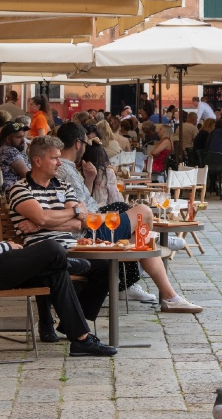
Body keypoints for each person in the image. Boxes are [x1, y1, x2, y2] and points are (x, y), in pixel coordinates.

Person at [0, 141, 116, 356]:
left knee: (57, 271)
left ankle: (81, 339)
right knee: (51, 248)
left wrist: (5, 249)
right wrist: (4, 247)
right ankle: (63, 260)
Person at [52, 125, 199, 312]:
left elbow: (82, 202)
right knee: (144, 212)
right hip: (88, 230)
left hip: (90, 224)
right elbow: (80, 213)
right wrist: (104, 216)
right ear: (78, 144)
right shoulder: (65, 170)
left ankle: (168, 296)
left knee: (142, 238)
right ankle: (140, 281)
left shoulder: (69, 169)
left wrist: (89, 180)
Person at [0, 120, 30, 190]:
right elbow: (28, 175)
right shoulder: (8, 151)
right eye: (18, 137)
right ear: (8, 139)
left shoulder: (17, 149)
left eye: (23, 136)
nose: (23, 140)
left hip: (20, 190)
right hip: (12, 192)